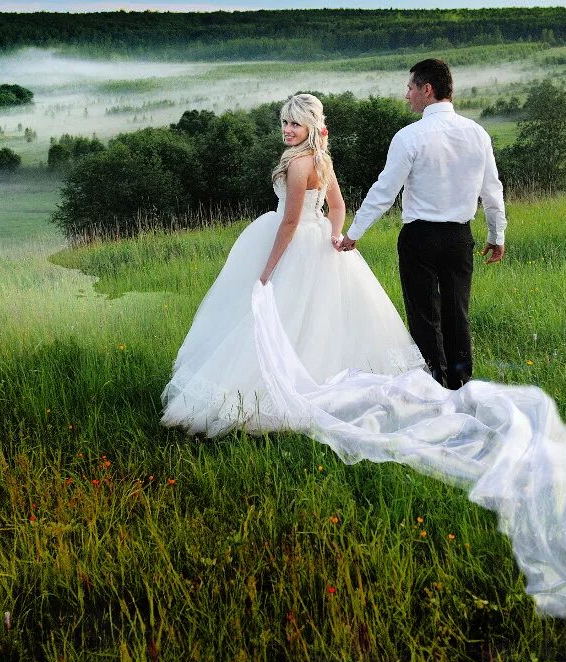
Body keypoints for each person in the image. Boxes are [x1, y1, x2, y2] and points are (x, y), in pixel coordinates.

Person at [161, 93, 424, 437]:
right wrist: (333, 234)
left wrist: (267, 270)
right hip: (316, 241)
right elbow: (338, 208)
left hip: (294, 241)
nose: (287, 129)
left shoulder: (300, 164)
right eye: (285, 122)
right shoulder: (321, 160)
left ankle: (266, 394)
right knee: (318, 320)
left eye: (295, 123)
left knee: (276, 315)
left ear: (311, 126)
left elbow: (289, 221)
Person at [338, 58, 506, 389]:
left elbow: (385, 191)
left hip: (419, 238)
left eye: (410, 88)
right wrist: (496, 234)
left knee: (424, 316)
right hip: (460, 236)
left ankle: (434, 385)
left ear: (426, 90)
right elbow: (492, 190)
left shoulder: (409, 136)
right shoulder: (477, 133)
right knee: (458, 311)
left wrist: (354, 234)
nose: (407, 95)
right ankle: (461, 384)